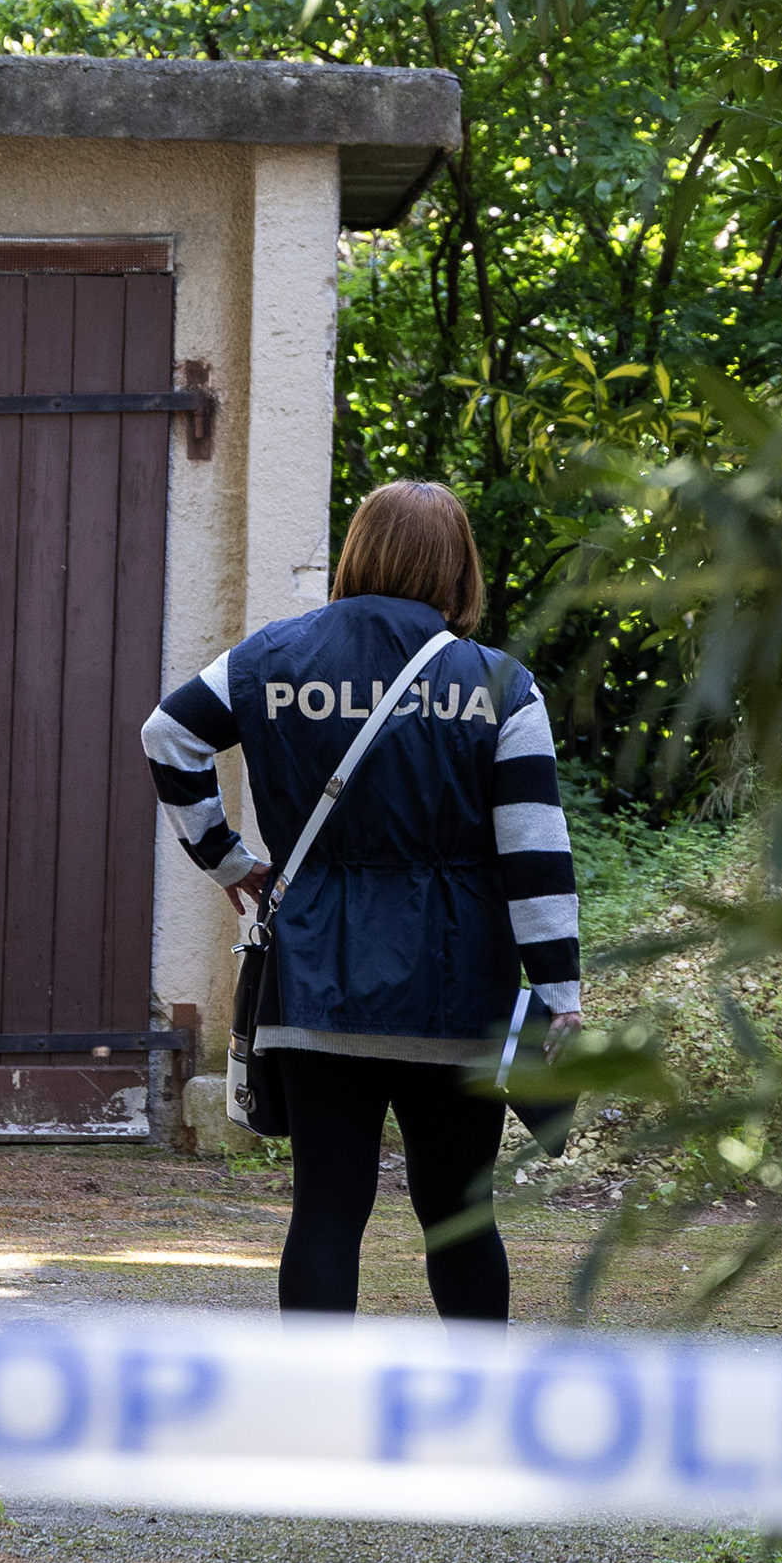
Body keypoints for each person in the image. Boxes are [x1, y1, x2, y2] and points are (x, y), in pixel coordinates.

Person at [139, 480, 578, 1322]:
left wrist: (229, 860)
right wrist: (559, 991)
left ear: (358, 551)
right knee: (459, 1214)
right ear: (458, 567)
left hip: (317, 980)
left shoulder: (272, 657)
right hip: (456, 994)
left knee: (326, 1210)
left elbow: (169, 733)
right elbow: (535, 850)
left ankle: (313, 1419)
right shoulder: (498, 684)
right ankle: (478, 1411)